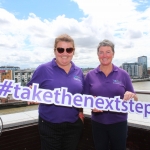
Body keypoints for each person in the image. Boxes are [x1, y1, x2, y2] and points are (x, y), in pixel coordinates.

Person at [27, 34, 84, 150]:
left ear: (73, 52)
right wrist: (30, 93)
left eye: (69, 50)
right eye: (60, 49)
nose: (64, 53)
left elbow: (82, 95)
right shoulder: (43, 69)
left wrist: (81, 112)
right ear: (55, 51)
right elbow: (30, 89)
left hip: (73, 126)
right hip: (49, 125)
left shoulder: (79, 71)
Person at [84, 39, 138, 150]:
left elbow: (136, 99)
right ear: (98, 55)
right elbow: (83, 98)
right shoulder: (90, 75)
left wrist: (131, 94)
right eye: (101, 52)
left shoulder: (123, 74)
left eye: (108, 52)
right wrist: (91, 102)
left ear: (113, 54)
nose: (105, 55)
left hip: (119, 123)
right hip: (98, 123)